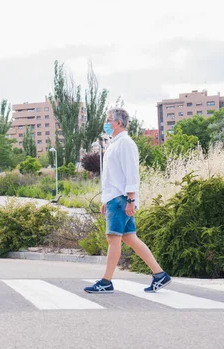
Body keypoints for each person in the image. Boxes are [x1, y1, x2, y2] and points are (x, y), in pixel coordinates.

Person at [84, 108, 171, 294]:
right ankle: (159, 274)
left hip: (121, 198)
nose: (106, 124)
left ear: (118, 123)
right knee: (129, 237)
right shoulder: (115, 143)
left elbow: (131, 173)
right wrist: (106, 199)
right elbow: (113, 176)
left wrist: (131, 199)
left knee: (113, 238)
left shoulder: (125, 143)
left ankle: (106, 281)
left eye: (109, 120)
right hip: (115, 197)